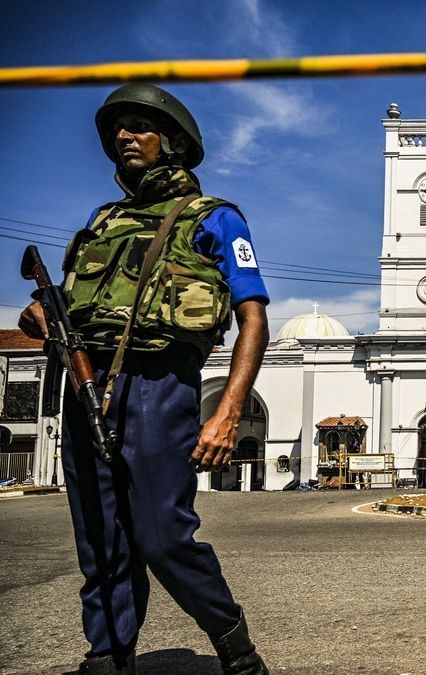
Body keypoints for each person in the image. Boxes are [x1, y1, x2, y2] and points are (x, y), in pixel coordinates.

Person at [18, 84, 270, 675]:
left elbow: (253, 317)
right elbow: (76, 305)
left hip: (160, 387)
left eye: (139, 127)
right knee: (101, 540)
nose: (123, 137)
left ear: (175, 142)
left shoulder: (215, 218)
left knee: (163, 536)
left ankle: (237, 650)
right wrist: (39, 317)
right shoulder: (102, 221)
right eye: (117, 130)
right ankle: (109, 654)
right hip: (86, 384)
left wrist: (228, 412)